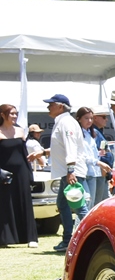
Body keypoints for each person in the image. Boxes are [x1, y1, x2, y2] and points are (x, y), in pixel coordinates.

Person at [45, 93, 90, 251]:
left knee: (79, 207)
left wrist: (71, 170)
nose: (48, 107)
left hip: (71, 171)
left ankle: (89, 238)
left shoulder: (66, 123)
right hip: (68, 171)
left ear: (60, 106)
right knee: (64, 204)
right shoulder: (64, 122)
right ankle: (68, 239)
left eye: (51, 104)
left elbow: (71, 147)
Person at [0, 103, 38, 246]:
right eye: (11, 113)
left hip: (21, 171)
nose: (15, 116)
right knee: (5, 203)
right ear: (2, 115)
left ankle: (30, 238)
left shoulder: (21, 131)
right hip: (4, 172)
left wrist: (29, 174)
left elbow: (24, 154)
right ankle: (5, 238)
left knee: (24, 201)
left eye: (16, 113)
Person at [75, 107, 110, 206]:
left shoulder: (90, 133)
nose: (90, 121)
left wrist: (99, 154)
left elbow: (90, 153)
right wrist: (98, 162)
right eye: (86, 118)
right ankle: (81, 222)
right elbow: (81, 155)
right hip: (86, 172)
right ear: (79, 119)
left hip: (95, 172)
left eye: (91, 118)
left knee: (94, 203)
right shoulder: (79, 134)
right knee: (87, 203)